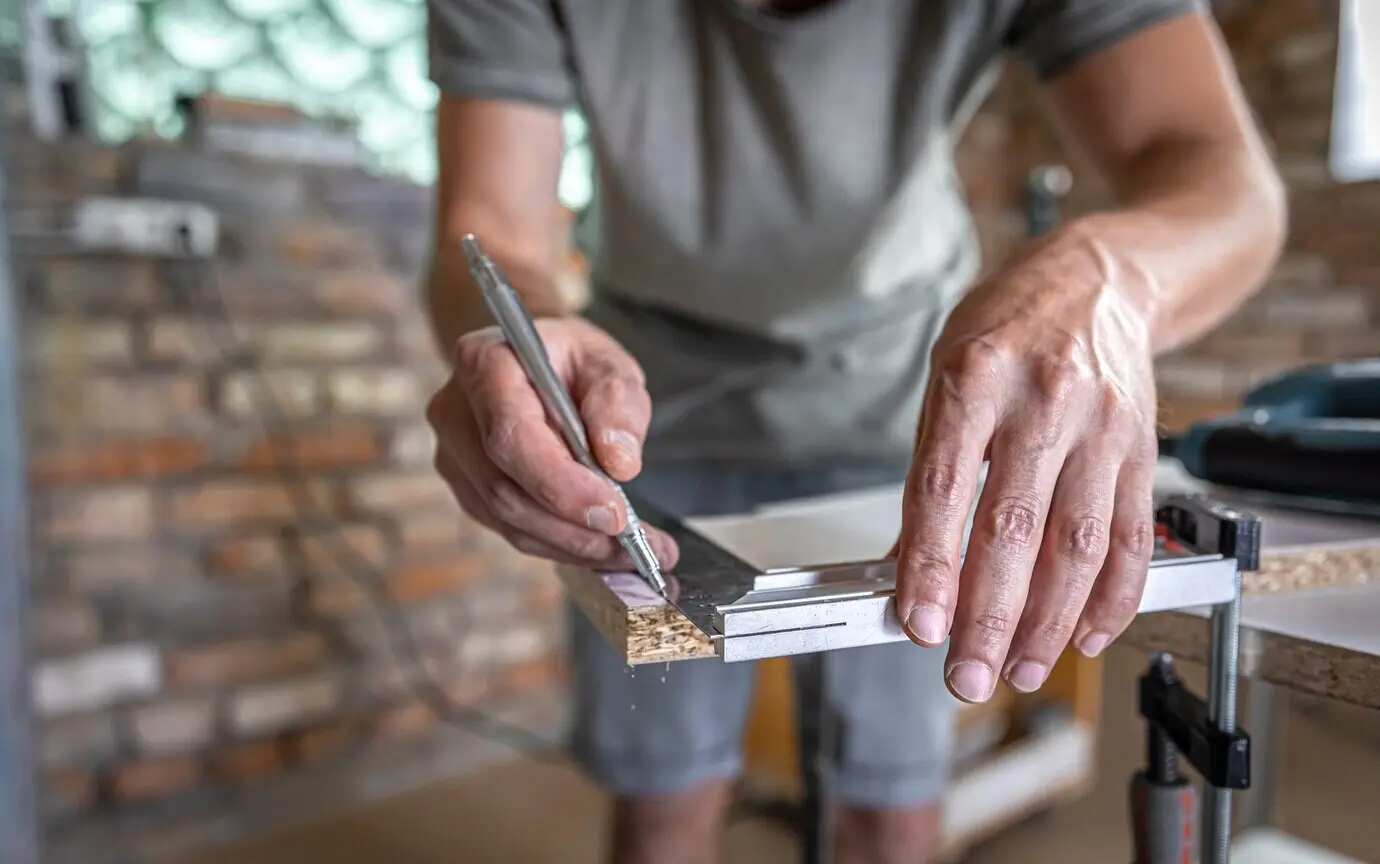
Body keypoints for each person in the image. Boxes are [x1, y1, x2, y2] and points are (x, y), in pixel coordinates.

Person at [420, 1, 1286, 862]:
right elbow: (491, 232)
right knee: (663, 798)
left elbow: (1229, 189)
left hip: (903, 428)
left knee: (892, 807)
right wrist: (516, 340)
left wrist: (1112, 277)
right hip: (642, 423)